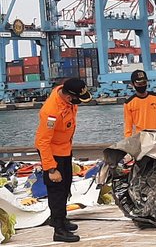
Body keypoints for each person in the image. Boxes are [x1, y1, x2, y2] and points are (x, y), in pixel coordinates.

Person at [35, 78, 93, 242]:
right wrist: (51, 169)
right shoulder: (51, 112)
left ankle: (61, 219)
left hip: (64, 148)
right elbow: (43, 142)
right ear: (69, 98)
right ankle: (58, 230)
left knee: (66, 184)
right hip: (52, 152)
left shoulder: (66, 97)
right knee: (57, 190)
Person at [123, 70, 156, 137]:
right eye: (139, 84)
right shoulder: (128, 103)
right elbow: (128, 126)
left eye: (144, 83)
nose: (142, 86)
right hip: (141, 138)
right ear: (133, 84)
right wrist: (127, 141)